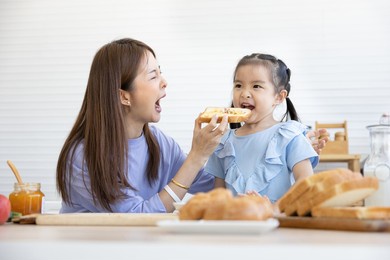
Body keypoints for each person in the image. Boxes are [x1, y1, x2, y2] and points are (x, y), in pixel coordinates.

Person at [56, 38, 229, 213]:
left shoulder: (160, 143)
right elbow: (137, 218)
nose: (164, 82)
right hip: (95, 241)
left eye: (160, 73)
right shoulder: (83, 156)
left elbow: (217, 188)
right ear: (124, 97)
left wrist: (242, 139)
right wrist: (196, 156)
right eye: (153, 76)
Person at [204, 53, 320, 203]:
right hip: (235, 224)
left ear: (278, 97)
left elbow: (306, 186)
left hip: (278, 223)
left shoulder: (289, 136)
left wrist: (275, 209)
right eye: (238, 85)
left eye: (256, 86)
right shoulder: (222, 142)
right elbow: (218, 197)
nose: (244, 93)